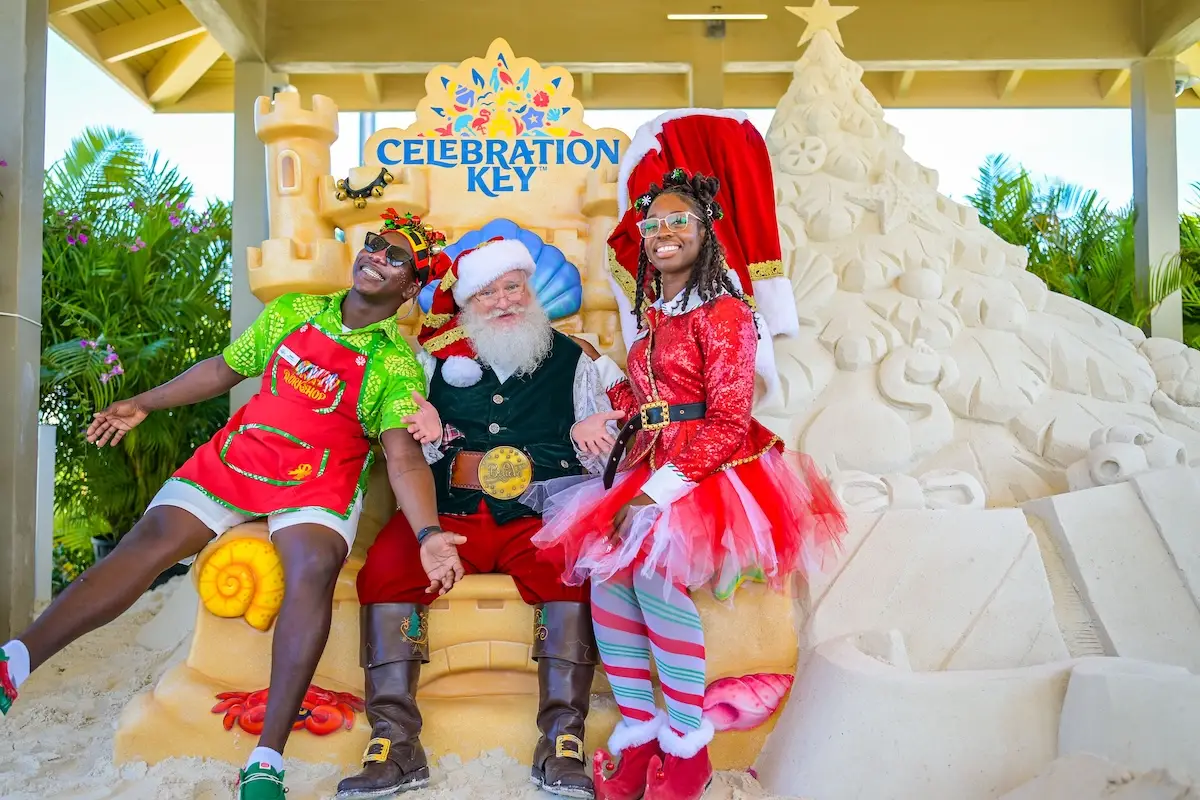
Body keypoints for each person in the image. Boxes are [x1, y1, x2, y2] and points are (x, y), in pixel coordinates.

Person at [0, 210, 452, 800]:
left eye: (395, 257)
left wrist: (429, 535)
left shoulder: (396, 362)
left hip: (319, 479)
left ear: (411, 286)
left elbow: (404, 459)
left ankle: (266, 757)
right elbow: (222, 369)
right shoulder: (293, 311)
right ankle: (16, 661)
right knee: (152, 540)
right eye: (373, 245)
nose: (375, 257)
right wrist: (144, 402)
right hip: (238, 460)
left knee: (312, 568)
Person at [527, 170, 847, 800]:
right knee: (607, 582)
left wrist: (654, 496)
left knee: (651, 576)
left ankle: (685, 749)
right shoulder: (653, 318)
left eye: (678, 221)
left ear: (704, 232)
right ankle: (641, 733)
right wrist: (605, 407)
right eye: (652, 224)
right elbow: (647, 395)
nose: (663, 232)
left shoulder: (726, 314)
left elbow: (727, 420)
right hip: (649, 460)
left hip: (708, 471)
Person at [337, 237, 624, 800]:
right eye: (487, 292)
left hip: (542, 510)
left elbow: (610, 447)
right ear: (467, 305)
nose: (502, 301)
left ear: (529, 290)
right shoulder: (428, 364)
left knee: (576, 571)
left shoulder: (578, 360)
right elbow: (400, 446)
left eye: (512, 286)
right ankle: (396, 744)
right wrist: (425, 426)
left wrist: (592, 438)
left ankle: (562, 740)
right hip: (449, 513)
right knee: (387, 568)